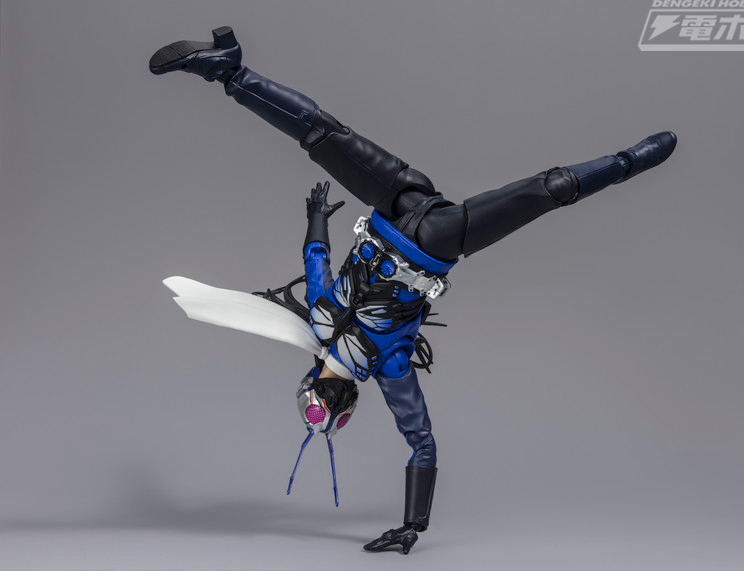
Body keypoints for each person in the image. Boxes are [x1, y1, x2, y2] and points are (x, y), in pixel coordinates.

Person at [150, 26, 677, 554]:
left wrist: (317, 217)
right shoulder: (390, 366)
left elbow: (315, 261)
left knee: (322, 135)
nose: (325, 405)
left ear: (308, 385)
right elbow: (422, 442)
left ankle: (229, 69)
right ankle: (628, 162)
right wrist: (413, 525)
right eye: (328, 413)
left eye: (315, 407)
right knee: (550, 189)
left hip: (396, 203)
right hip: (437, 239)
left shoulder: (317, 323)